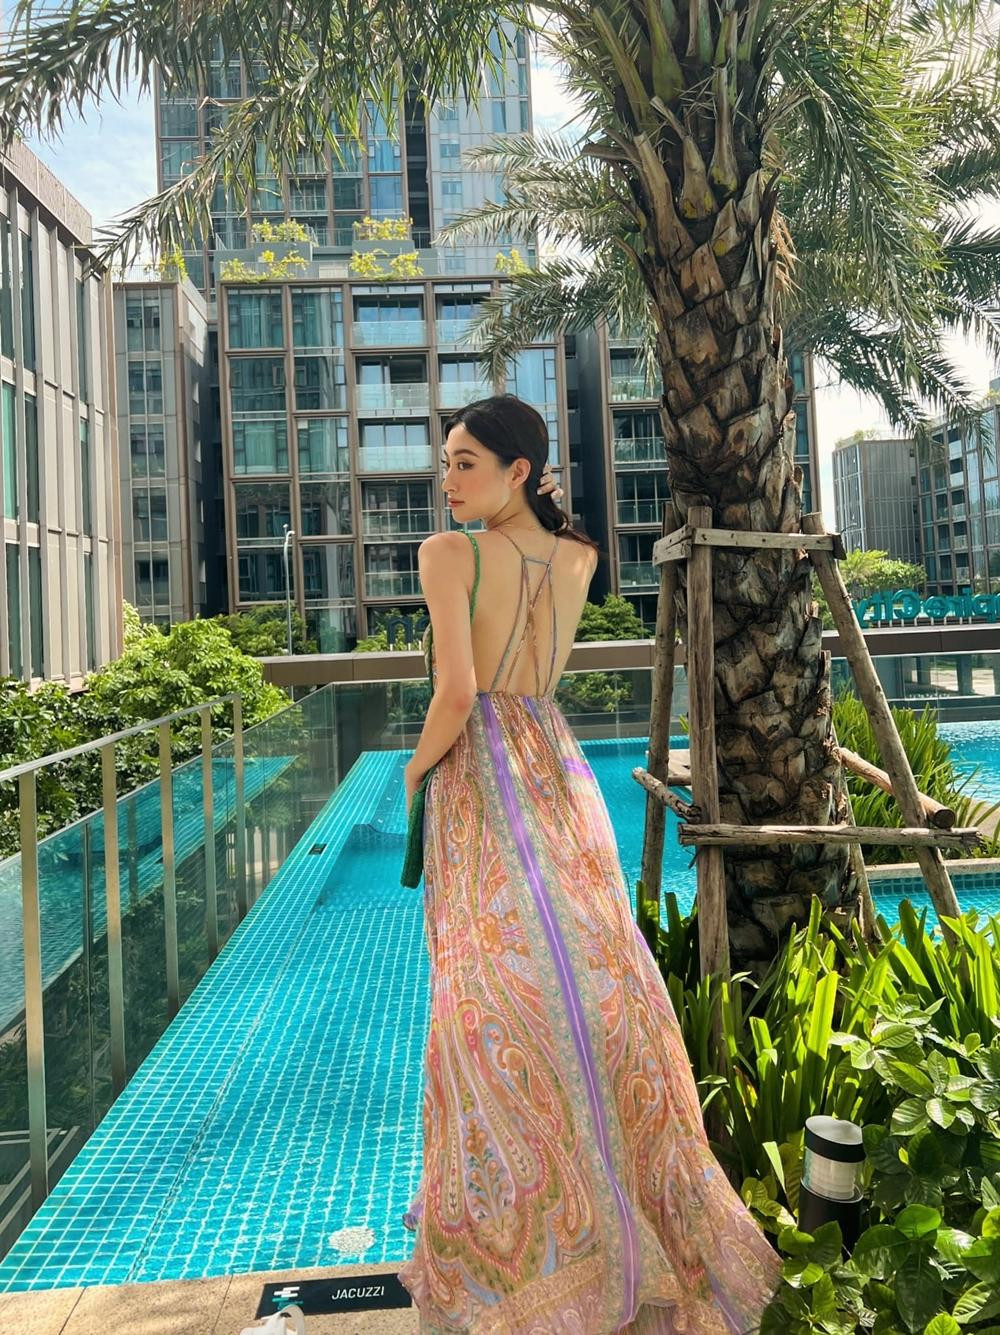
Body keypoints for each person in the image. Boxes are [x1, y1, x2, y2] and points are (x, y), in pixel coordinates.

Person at [397, 395, 781, 1333]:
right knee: (599, 982)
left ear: (518, 470)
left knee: (484, 998)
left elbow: (458, 692)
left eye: (464, 462)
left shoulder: (448, 555)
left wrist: (413, 771)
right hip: (557, 766)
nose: (447, 481)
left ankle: (529, 1237)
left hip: (482, 774)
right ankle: (618, 1212)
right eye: (446, 463)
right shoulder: (579, 556)